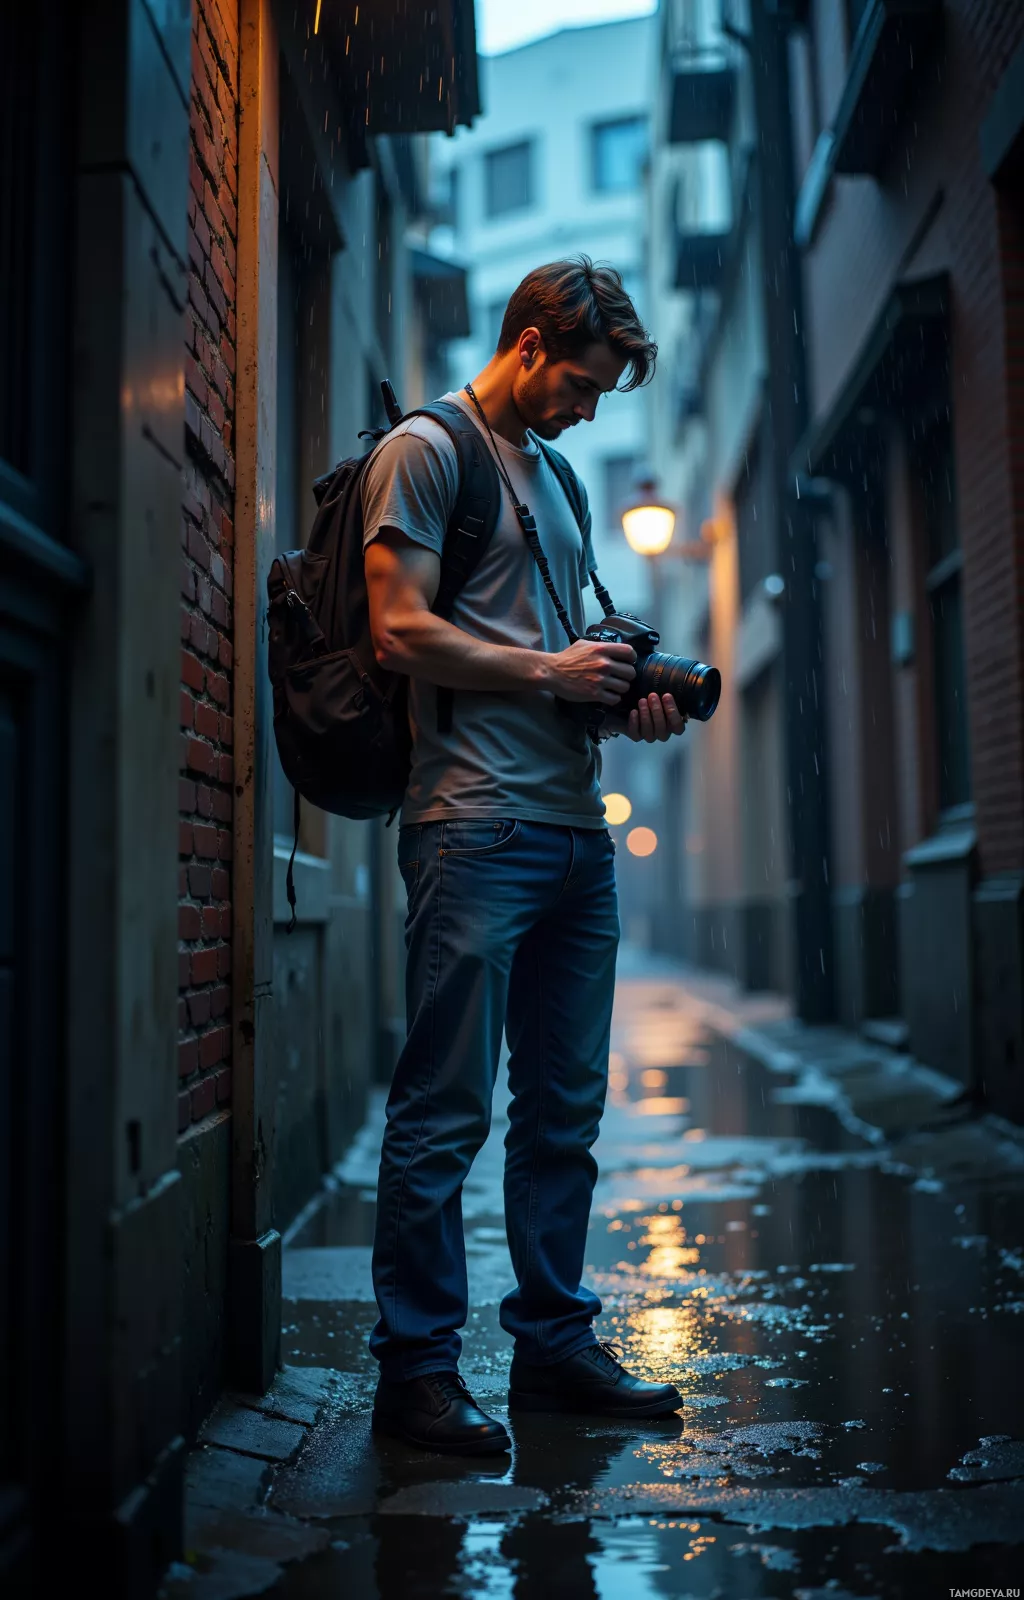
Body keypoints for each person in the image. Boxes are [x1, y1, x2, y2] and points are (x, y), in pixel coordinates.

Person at [361, 257, 687, 1456]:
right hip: (472, 826)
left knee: (562, 1114)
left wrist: (613, 694)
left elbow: (550, 660)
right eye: (585, 385)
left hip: (571, 832)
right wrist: (548, 672)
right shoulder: (426, 451)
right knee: (445, 1109)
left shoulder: (556, 478)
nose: (590, 412)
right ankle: (418, 1374)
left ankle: (552, 1348)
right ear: (533, 342)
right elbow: (399, 629)